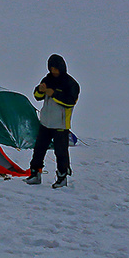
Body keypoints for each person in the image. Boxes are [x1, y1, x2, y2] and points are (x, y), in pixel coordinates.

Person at [25, 53, 79, 188]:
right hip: (45, 122)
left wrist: (54, 94)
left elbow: (70, 101)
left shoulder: (71, 83)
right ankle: (35, 174)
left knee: (61, 152)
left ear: (62, 68)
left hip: (61, 124)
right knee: (39, 149)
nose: (54, 71)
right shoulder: (47, 79)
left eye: (56, 68)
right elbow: (37, 96)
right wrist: (40, 90)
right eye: (51, 68)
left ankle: (62, 177)